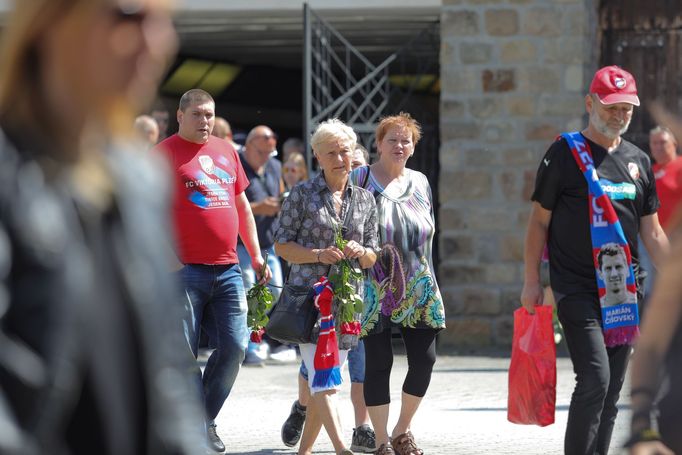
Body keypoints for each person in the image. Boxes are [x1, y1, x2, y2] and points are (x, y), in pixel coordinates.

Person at [0, 0, 206, 454]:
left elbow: (165, 378)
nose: (158, 43)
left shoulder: (137, 181)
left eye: (164, 21)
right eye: (127, 16)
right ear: (49, 21)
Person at [521, 65, 669, 455]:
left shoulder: (638, 161)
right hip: (576, 289)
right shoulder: (563, 153)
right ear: (590, 103)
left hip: (623, 291)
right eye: (611, 107)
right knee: (595, 379)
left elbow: (651, 232)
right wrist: (531, 280)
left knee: (612, 392)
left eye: (627, 109)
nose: (619, 116)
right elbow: (538, 222)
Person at [155, 88, 272, 453]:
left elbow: (241, 206)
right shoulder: (162, 155)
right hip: (183, 271)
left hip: (228, 268)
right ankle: (197, 427)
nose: (205, 121)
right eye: (197, 115)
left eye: (209, 115)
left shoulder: (225, 151)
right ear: (180, 115)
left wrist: (254, 254)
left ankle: (200, 420)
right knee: (183, 353)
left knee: (236, 346)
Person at [274, 118, 378, 455]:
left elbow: (373, 256)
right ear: (317, 156)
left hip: (348, 303)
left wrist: (362, 251)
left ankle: (303, 453)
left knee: (327, 380)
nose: (339, 158)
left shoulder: (365, 200)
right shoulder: (301, 195)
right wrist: (317, 253)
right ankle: (340, 449)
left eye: (344, 151)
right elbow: (281, 246)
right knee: (325, 379)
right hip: (310, 300)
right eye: (330, 152)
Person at [350, 113, 445, 455]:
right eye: (392, 139)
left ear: (414, 147)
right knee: (379, 363)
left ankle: (402, 430)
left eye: (406, 141)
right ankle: (380, 441)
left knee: (425, 359)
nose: (399, 146)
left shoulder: (420, 181)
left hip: (417, 282)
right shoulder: (359, 178)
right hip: (372, 286)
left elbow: (428, 232)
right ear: (378, 143)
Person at [237, 124, 292, 366]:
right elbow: (232, 204)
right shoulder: (236, 163)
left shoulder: (275, 165)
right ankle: (248, 345)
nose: (266, 158)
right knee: (248, 292)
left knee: (274, 291)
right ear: (249, 146)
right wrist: (260, 207)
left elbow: (279, 192)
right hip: (242, 243)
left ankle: (253, 336)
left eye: (270, 153)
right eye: (261, 152)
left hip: (268, 242)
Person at [649, 126, 682, 232]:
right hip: (653, 237)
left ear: (674, 144)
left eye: (663, 142)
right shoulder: (648, 171)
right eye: (655, 143)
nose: (658, 147)